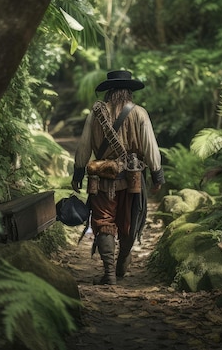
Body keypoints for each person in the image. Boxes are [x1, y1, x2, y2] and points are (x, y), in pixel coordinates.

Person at [71, 70, 164, 285]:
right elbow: (151, 147)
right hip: (132, 179)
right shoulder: (139, 113)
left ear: (110, 92)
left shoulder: (95, 114)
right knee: (129, 222)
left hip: (102, 180)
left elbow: (84, 147)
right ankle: (122, 259)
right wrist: (157, 175)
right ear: (129, 92)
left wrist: (78, 173)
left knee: (104, 222)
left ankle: (109, 273)